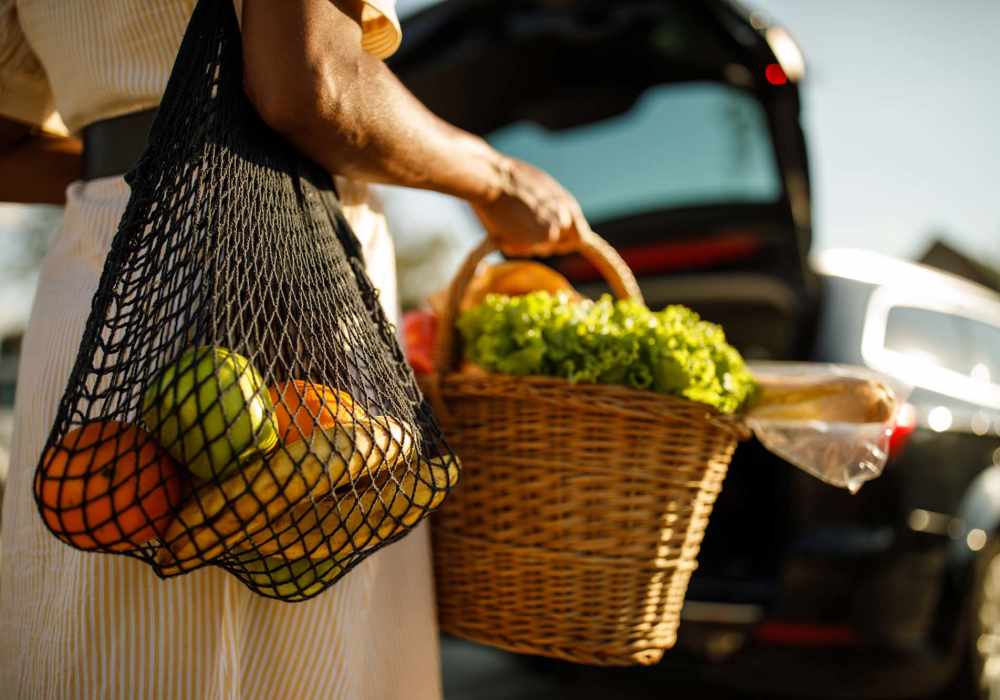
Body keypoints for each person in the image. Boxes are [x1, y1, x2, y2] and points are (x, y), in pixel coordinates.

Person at [0, 1, 591, 698]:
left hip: (107, 273)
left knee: (100, 644)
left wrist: (154, 141)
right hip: (289, 269)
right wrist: (496, 175)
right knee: (304, 660)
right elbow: (312, 84)